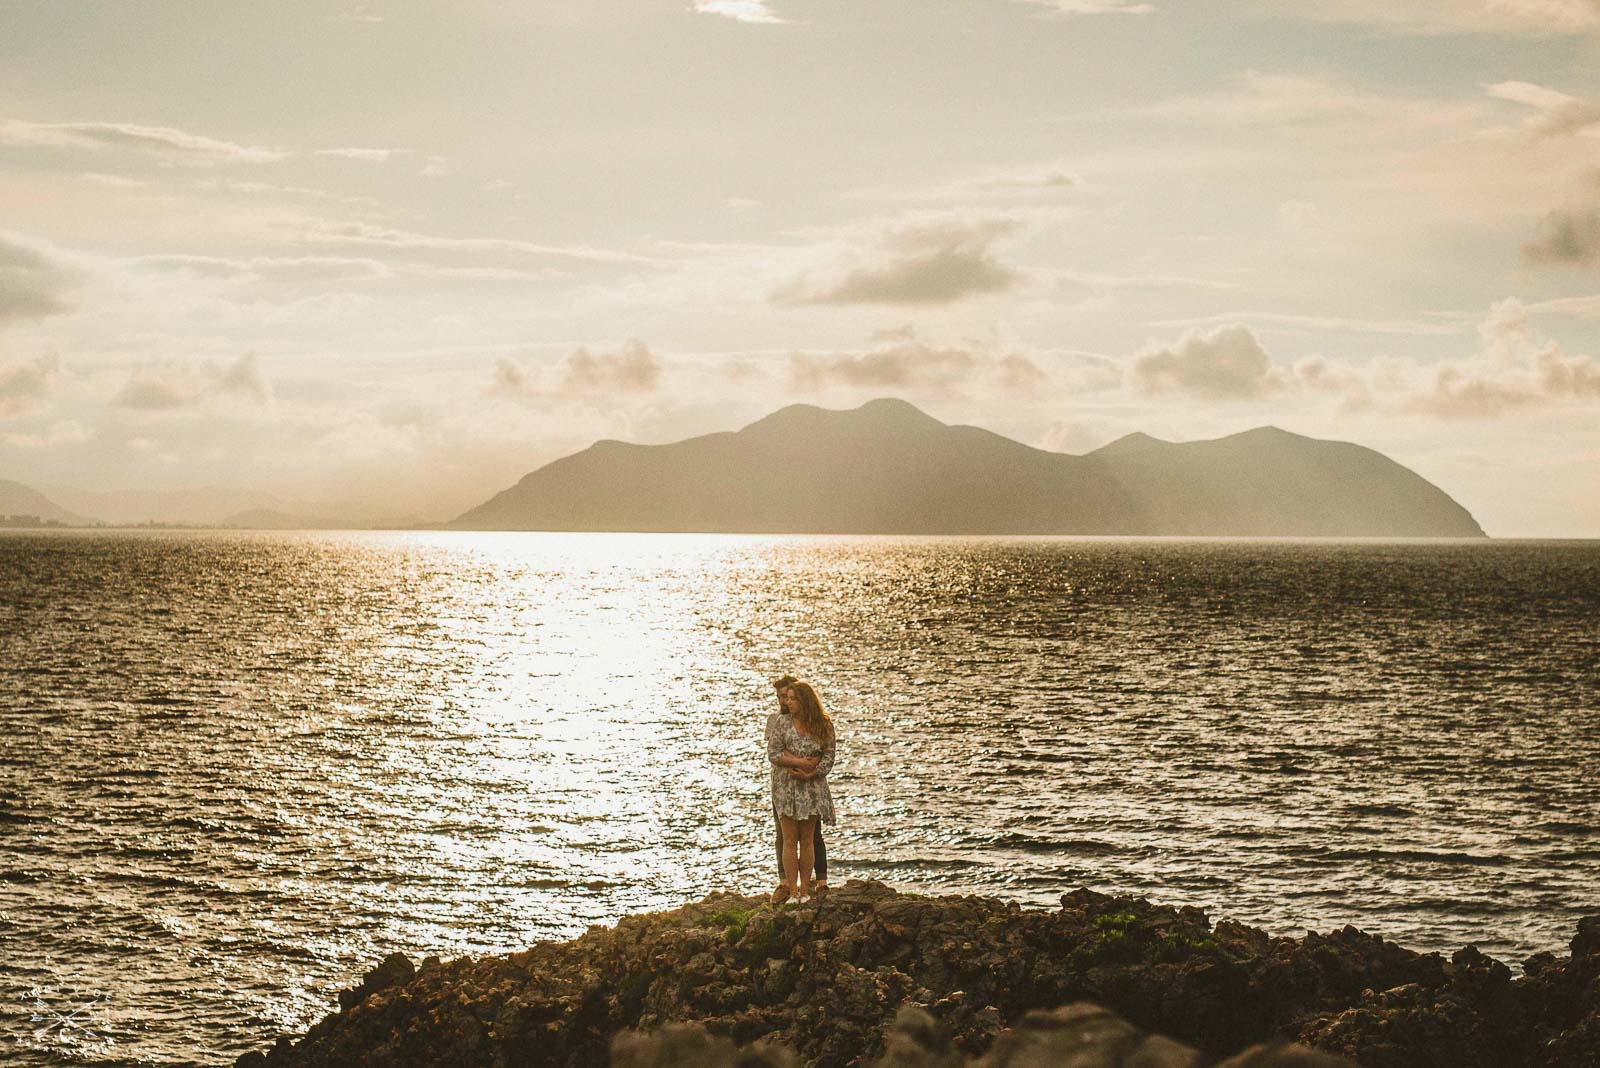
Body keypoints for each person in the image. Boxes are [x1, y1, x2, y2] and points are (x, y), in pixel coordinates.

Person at [765, 677, 836, 903]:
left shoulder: (824, 725)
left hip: (812, 787)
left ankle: (806, 890)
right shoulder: (781, 723)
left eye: (793, 699)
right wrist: (800, 762)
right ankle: (792, 891)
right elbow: (773, 753)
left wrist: (811, 772)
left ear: (805, 701)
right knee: (788, 839)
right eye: (786, 698)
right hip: (786, 786)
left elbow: (829, 756)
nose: (788, 702)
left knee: (808, 839)